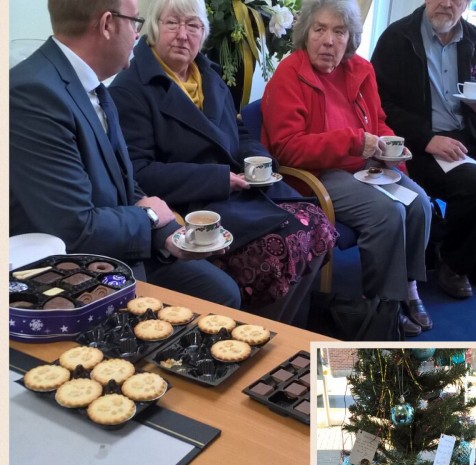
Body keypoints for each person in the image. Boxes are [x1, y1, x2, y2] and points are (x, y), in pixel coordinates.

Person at [109, 0, 337, 323]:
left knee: (317, 222)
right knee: (282, 248)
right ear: (153, 28)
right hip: (192, 208)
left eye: (193, 26)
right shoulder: (132, 88)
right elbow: (141, 174)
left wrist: (260, 162)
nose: (183, 35)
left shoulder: (210, 76)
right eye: (173, 23)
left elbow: (239, 132)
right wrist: (220, 178)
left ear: (204, 34)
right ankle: (253, 330)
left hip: (239, 193)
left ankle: (276, 327)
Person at [10, 0, 241, 309]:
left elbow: (125, 184)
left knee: (222, 292)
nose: (138, 35)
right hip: (69, 276)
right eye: (135, 22)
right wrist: (148, 218)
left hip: (116, 241)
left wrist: (169, 236)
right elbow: (75, 229)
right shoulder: (34, 95)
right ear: (107, 24)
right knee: (216, 300)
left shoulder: (92, 85)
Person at [261, 0, 433, 336]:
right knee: (387, 214)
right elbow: (286, 147)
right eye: (320, 29)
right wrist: (353, 143)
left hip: (366, 167)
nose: (329, 41)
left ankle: (409, 287)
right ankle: (384, 305)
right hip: (318, 175)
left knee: (420, 203)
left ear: (350, 37)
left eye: (339, 31)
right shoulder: (289, 74)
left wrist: (390, 148)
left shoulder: (360, 70)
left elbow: (378, 121)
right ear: (305, 33)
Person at [371, 0, 476, 299]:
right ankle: (453, 263)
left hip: (467, 134)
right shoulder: (397, 38)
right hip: (416, 145)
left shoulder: (475, 40)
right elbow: (379, 104)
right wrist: (426, 137)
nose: (447, 3)